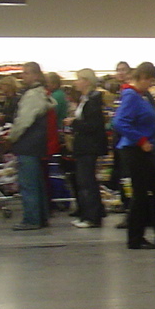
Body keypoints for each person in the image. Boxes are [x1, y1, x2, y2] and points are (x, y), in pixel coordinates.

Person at [111, 61, 155, 250]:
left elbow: (138, 122)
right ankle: (136, 238)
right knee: (141, 194)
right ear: (141, 77)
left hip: (139, 149)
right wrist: (141, 140)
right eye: (149, 80)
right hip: (134, 150)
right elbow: (119, 123)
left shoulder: (139, 96)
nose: (151, 84)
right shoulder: (131, 96)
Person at [8, 62, 54, 231]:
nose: (23, 76)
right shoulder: (42, 94)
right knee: (37, 183)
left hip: (28, 145)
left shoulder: (32, 95)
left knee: (28, 184)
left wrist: (12, 137)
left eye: (26, 73)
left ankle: (31, 219)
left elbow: (24, 121)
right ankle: (41, 217)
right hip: (37, 145)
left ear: (36, 75)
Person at [68, 69, 107, 228]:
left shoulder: (92, 101)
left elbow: (93, 125)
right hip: (84, 146)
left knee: (87, 182)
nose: (75, 82)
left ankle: (92, 217)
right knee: (84, 181)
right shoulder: (85, 99)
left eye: (78, 79)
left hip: (88, 146)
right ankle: (86, 214)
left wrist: (74, 123)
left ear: (87, 81)